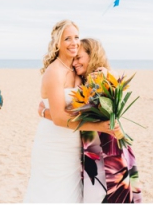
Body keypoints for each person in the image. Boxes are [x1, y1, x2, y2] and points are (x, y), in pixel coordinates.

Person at [24, 20, 117, 203]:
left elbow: (94, 101)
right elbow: (59, 118)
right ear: (57, 43)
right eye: (68, 38)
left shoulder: (78, 71)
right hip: (54, 144)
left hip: (76, 146)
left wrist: (106, 74)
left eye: (76, 37)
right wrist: (100, 126)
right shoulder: (54, 72)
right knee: (52, 193)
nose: (74, 42)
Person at [39, 38, 142, 203]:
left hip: (107, 148)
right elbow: (72, 113)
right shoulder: (86, 81)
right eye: (74, 59)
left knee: (111, 195)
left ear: (92, 55)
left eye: (79, 58)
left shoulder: (100, 78)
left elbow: (82, 113)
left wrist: (46, 113)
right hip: (93, 150)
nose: (75, 63)